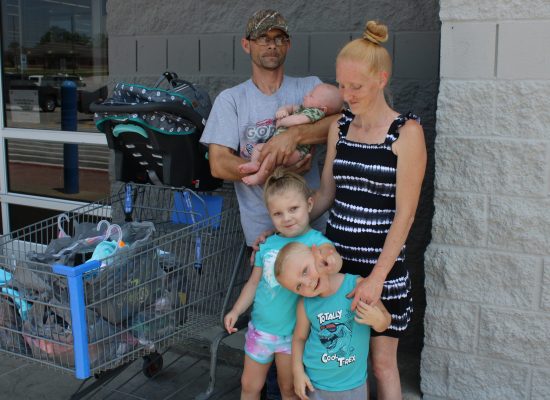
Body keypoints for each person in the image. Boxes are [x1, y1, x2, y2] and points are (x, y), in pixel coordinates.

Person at [308, 20, 427, 399]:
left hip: (382, 271)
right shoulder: (339, 127)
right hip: (337, 270)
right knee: (342, 362)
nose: (346, 95)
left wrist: (376, 279)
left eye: (355, 86)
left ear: (381, 79)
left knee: (381, 364)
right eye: (341, 85)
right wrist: (286, 228)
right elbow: (326, 194)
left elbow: (405, 216)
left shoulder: (406, 133)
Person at [200, 8, 337, 248]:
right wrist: (273, 167)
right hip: (262, 235)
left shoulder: (310, 88)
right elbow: (219, 163)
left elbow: (340, 123)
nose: (271, 45)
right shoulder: (231, 99)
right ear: (246, 44)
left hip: (312, 227)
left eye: (278, 38)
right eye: (263, 38)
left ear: (288, 45)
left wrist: (294, 135)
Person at [223, 169, 340, 400]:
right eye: (278, 213)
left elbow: (333, 262)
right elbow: (254, 282)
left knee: (289, 389)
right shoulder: (267, 244)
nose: (286, 218)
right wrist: (236, 310)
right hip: (261, 330)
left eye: (293, 209)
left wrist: (332, 260)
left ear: (309, 204)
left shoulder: (317, 243)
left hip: (293, 336)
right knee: (249, 385)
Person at [274, 242, 391, 400]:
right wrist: (298, 372)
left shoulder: (357, 286)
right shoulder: (305, 304)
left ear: (317, 254)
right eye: (299, 286)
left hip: (354, 384)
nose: (307, 283)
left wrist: (378, 320)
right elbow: (299, 338)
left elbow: (386, 320)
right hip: (316, 385)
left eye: (305, 271)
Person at [238, 83, 344, 186]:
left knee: (271, 157)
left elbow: (298, 120)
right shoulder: (304, 109)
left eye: (311, 96)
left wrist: (282, 122)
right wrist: (283, 110)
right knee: (258, 148)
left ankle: (260, 176)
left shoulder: (316, 113)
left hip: (296, 151)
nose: (307, 95)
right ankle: (255, 163)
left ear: (323, 108)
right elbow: (291, 107)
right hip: (280, 146)